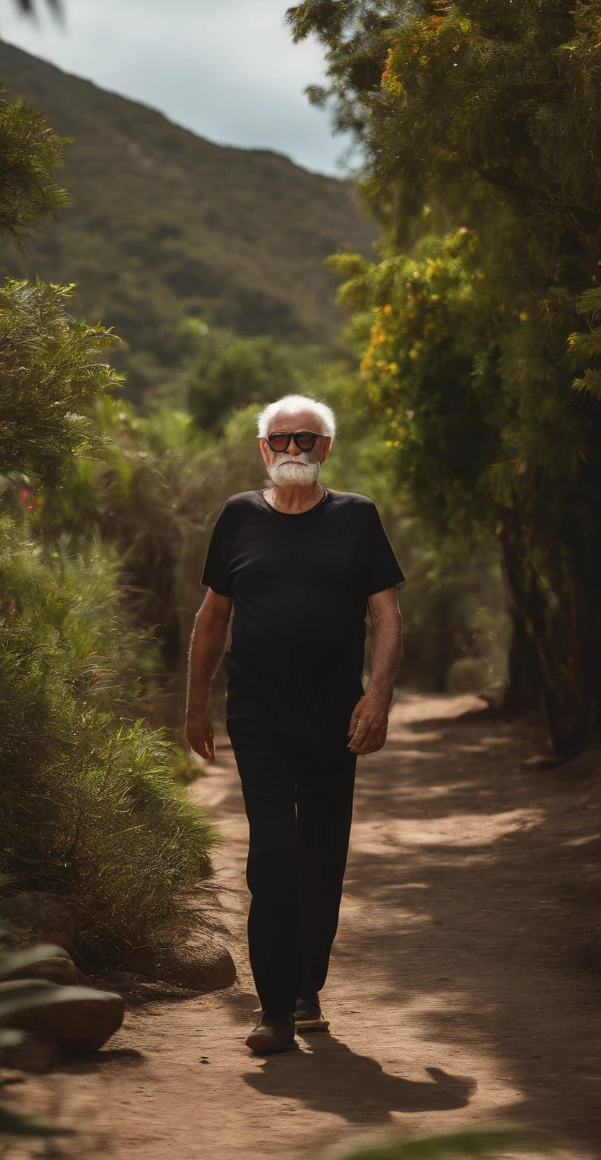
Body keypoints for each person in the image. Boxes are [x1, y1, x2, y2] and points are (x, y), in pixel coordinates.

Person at [185, 394, 404, 1054]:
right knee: (272, 853)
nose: (292, 452)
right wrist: (194, 704)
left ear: (326, 447)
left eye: (305, 440)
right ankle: (274, 1008)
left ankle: (309, 985)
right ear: (263, 449)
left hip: (336, 717)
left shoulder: (357, 518)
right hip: (258, 715)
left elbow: (387, 616)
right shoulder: (238, 517)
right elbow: (212, 618)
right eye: (280, 441)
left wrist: (378, 696)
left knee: (322, 855)